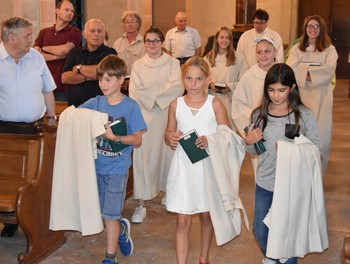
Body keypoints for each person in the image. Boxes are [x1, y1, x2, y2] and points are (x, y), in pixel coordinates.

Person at [244, 63, 322, 264]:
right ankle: (272, 257)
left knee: (287, 237)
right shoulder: (258, 115)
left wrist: (290, 150)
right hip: (266, 182)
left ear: (292, 88)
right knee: (261, 231)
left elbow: (316, 150)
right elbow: (255, 151)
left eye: (281, 90)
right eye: (271, 90)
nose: (276, 95)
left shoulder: (303, 115)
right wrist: (249, 142)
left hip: (292, 185)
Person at [79, 55, 147, 264]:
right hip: (96, 167)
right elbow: (76, 116)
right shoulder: (95, 102)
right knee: (104, 213)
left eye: (108, 79)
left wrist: (115, 137)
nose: (103, 84)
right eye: (100, 79)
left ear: (121, 80)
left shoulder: (130, 107)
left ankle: (110, 257)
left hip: (117, 168)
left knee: (110, 215)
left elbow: (137, 140)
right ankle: (121, 229)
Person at [164, 56, 231, 264]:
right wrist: (171, 137)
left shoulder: (216, 104)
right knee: (182, 220)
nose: (193, 84)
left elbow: (228, 136)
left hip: (207, 167)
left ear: (207, 79)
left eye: (199, 79)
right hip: (183, 166)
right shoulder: (176, 104)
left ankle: (204, 258)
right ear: (183, 79)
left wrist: (210, 140)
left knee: (206, 215)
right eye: (189, 78)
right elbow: (168, 132)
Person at [0, 17, 56, 237]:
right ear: (11, 38)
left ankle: (36, 220)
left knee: (34, 179)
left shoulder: (36, 58)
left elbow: (48, 89)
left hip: (34, 129)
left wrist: (52, 118)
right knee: (8, 177)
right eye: (26, 36)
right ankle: (11, 221)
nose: (31, 40)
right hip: (5, 131)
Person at [128, 27, 184, 224]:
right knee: (143, 159)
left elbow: (177, 86)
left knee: (168, 155)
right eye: (148, 41)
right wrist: (157, 95)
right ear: (144, 43)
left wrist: (154, 96)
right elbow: (134, 91)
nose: (152, 44)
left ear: (162, 42)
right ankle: (141, 204)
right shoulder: (138, 65)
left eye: (155, 41)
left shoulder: (172, 63)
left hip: (167, 115)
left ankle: (168, 192)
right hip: (144, 118)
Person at [286, 15, 338, 172]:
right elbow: (291, 68)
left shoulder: (330, 49)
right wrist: (313, 73)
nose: (312, 29)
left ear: (321, 29)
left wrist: (305, 72)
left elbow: (329, 70)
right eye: (309, 26)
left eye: (316, 26)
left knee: (321, 136)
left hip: (322, 97)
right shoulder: (297, 49)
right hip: (302, 96)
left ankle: (317, 173)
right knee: (300, 135)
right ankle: (299, 172)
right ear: (305, 29)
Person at [34, 0, 81, 102]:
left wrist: (44, 48)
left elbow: (65, 50)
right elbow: (36, 54)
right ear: (57, 11)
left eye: (72, 11)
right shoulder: (44, 32)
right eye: (66, 10)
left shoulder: (75, 32)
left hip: (62, 86)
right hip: (43, 84)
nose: (70, 13)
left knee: (62, 115)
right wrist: (56, 56)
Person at [62, 19, 117, 107]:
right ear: (84, 34)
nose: (96, 34)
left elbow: (102, 73)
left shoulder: (110, 53)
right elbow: (65, 78)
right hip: (76, 107)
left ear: (104, 34)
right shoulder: (74, 52)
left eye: (99, 31)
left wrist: (78, 68)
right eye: (92, 31)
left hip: (101, 107)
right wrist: (90, 76)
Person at [204, 26, 246, 129]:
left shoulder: (238, 58)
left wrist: (230, 87)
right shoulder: (208, 58)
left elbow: (243, 80)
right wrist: (210, 84)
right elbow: (201, 78)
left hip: (229, 100)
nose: (224, 40)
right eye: (222, 37)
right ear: (216, 39)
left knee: (227, 130)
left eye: (227, 38)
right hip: (212, 100)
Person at [113, 11, 145, 75]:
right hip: (120, 80)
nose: (129, 25)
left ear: (138, 24)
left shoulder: (145, 43)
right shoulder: (117, 43)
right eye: (127, 22)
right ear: (124, 25)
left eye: (132, 22)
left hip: (138, 79)